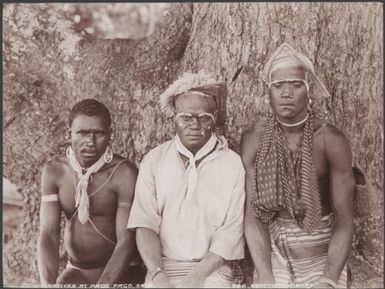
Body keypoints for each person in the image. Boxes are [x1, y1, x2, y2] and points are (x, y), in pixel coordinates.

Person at [241, 43, 355, 288]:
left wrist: (328, 279)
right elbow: (253, 217)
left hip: (320, 240)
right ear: (268, 93)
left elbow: (344, 220)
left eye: (295, 84)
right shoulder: (254, 139)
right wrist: (267, 279)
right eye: (278, 85)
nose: (286, 93)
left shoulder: (329, 140)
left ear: (308, 91)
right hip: (272, 240)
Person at [127, 70, 245, 288]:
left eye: (203, 118)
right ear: (174, 116)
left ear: (215, 117)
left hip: (213, 268)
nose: (195, 124)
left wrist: (196, 278)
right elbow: (145, 224)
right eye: (186, 118)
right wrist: (157, 274)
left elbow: (231, 231)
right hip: (164, 266)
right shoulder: (154, 161)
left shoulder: (232, 164)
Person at [37, 99, 145, 286]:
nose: (90, 142)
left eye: (99, 133)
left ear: (110, 134)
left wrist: (103, 286)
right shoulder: (55, 170)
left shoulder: (123, 173)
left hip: (123, 271)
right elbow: (48, 233)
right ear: (68, 133)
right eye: (82, 133)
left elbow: (126, 241)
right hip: (77, 270)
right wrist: (47, 284)